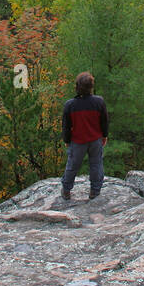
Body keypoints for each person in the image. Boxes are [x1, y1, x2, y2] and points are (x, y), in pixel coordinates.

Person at [61, 71, 107, 200]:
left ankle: (66, 190)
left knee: (72, 166)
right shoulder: (99, 102)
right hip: (95, 139)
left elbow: (66, 126)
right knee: (96, 164)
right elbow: (104, 121)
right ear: (91, 86)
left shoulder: (70, 105)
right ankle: (95, 191)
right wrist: (104, 135)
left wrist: (67, 140)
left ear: (77, 86)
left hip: (78, 141)